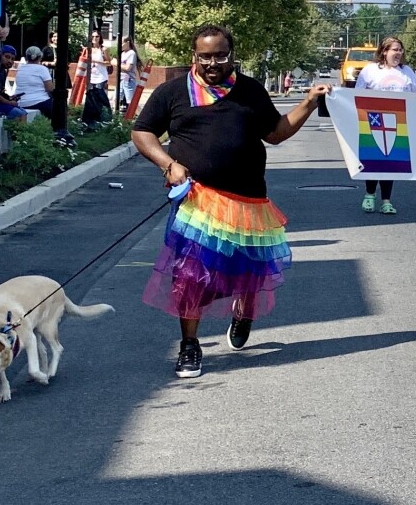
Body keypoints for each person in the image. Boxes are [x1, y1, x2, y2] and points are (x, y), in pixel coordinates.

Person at [131, 23, 333, 378]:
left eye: (220, 55)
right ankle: (190, 347)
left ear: (231, 55)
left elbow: (276, 132)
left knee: (247, 273)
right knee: (191, 276)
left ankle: (243, 314)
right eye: (204, 56)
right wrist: (168, 164)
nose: (212, 63)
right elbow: (141, 131)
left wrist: (308, 102)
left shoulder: (250, 90)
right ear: (194, 55)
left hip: (250, 201)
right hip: (198, 200)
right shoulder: (174, 92)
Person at [354, 37, 416, 214]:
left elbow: (415, 97)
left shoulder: (407, 72)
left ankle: (386, 201)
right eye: (394, 50)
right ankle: (369, 195)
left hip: (398, 122)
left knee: (391, 161)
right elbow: (357, 95)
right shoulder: (370, 70)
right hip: (372, 120)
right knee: (373, 159)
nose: (398, 53)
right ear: (384, 51)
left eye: (400, 50)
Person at [0, 46, 29, 120]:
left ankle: (20, 131)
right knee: (19, 114)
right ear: (0, 56)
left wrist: (9, 98)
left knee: (23, 112)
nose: (10, 61)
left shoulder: (3, 71)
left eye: (12, 59)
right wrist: (9, 102)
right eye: (7, 57)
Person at [13, 46, 54, 119]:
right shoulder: (43, 69)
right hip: (39, 102)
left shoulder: (20, 69)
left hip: (20, 102)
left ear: (26, 57)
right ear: (40, 57)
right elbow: (50, 89)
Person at [117, 37, 142, 111]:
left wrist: (116, 64)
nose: (120, 45)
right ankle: (115, 117)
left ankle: (142, 115)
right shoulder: (122, 53)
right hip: (121, 79)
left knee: (131, 102)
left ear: (127, 43)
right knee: (115, 99)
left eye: (121, 43)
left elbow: (128, 68)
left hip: (128, 80)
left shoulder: (131, 53)